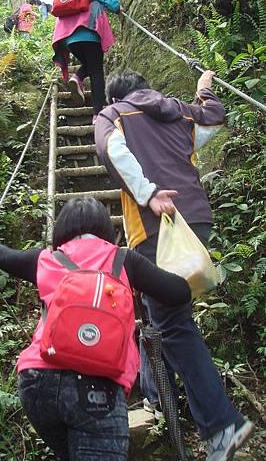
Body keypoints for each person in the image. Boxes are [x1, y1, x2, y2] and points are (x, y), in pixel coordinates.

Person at [94, 69, 254, 461]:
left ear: (117, 96)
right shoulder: (177, 112)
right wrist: (204, 91)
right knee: (157, 315)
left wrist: (147, 194)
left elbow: (111, 150)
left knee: (173, 324)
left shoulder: (111, 114)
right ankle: (158, 398)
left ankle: (222, 426)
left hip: (158, 227)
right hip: (197, 221)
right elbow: (212, 120)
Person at [0, 196, 195, 461]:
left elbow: (6, 256)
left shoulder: (47, 259)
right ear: (107, 228)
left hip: (38, 380)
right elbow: (179, 292)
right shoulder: (124, 259)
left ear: (62, 228)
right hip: (99, 385)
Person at [52, 0, 120, 123]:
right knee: (97, 71)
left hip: (68, 37)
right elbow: (114, 5)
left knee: (90, 65)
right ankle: (98, 115)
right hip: (90, 31)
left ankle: (78, 77)